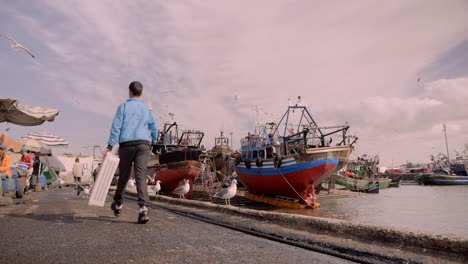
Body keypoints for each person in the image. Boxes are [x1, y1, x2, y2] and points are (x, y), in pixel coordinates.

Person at [106, 81, 158, 224]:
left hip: (126, 145)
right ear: (141, 93)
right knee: (140, 176)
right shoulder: (147, 110)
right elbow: (155, 128)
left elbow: (116, 128)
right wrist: (152, 142)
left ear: (130, 92)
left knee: (124, 175)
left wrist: (110, 146)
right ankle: (143, 210)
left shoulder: (123, 107)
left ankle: (118, 205)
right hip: (143, 145)